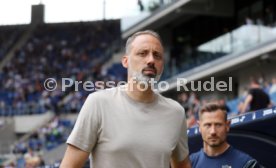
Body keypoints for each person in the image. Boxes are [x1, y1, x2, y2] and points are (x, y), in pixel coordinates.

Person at [60, 30, 191, 168]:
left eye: (157, 55)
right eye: (143, 53)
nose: (151, 60)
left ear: (162, 65)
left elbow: (183, 165)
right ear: (125, 61)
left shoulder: (176, 112)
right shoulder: (98, 103)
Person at [190, 103, 260, 168]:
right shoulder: (189, 163)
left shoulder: (246, 163)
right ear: (199, 127)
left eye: (218, 125)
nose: (213, 131)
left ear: (227, 125)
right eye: (208, 125)